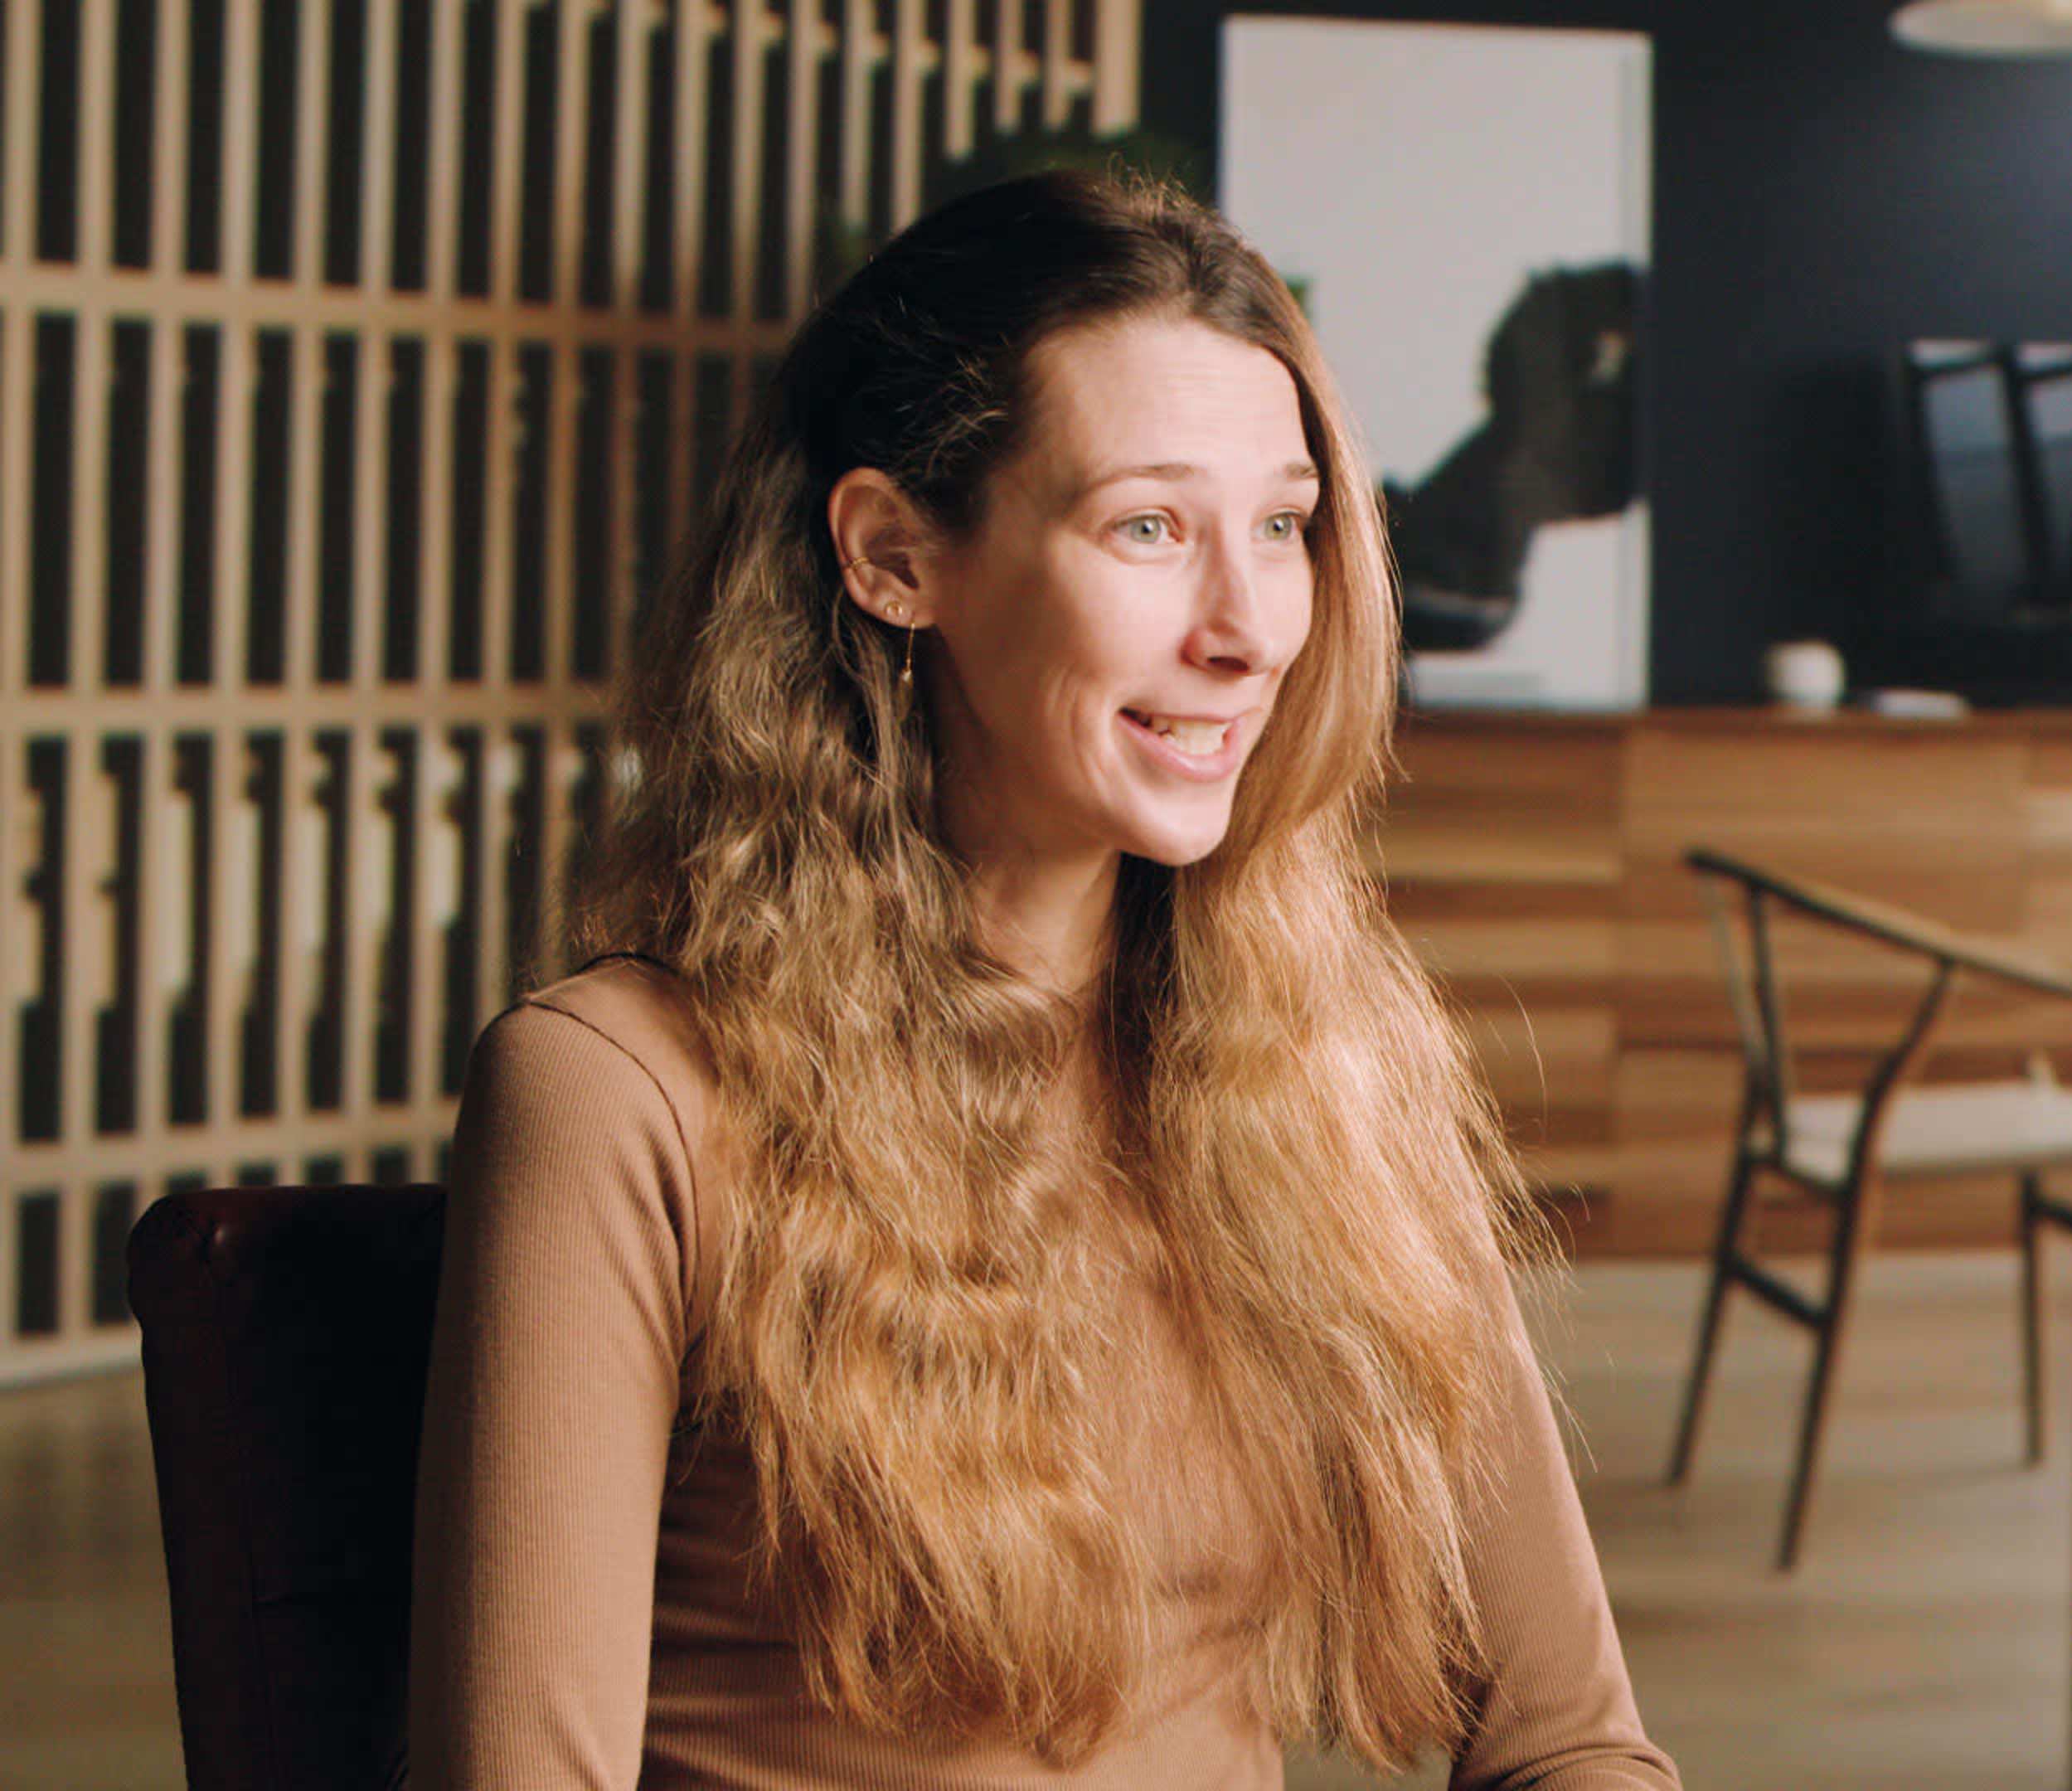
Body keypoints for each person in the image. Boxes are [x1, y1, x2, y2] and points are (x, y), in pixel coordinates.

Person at [407, 170, 1681, 1789]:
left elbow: (1572, 1740)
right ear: (892, 557)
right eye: (1149, 526)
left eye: (1283, 529)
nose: (1249, 629)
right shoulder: (620, 1090)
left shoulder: (1330, 1063)